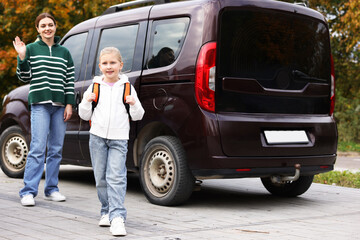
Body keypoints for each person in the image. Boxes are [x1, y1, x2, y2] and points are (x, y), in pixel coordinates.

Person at [78, 47, 144, 236]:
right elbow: (84, 114)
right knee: (101, 178)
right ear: (100, 66)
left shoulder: (127, 87)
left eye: (113, 63)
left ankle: (117, 217)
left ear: (120, 65)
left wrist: (134, 103)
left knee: (116, 177)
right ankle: (106, 211)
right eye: (105, 63)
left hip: (119, 139)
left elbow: (138, 115)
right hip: (97, 138)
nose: (109, 67)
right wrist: (86, 101)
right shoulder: (95, 86)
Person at [13, 13, 75, 206]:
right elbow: (23, 77)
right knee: (38, 149)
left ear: (55, 27)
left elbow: (69, 81)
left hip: (59, 107)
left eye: (50, 25)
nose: (47, 28)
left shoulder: (64, 53)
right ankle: (28, 192)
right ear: (38, 29)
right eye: (43, 26)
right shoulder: (31, 49)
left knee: (56, 150)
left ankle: (52, 189)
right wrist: (22, 57)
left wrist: (69, 104)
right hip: (40, 105)